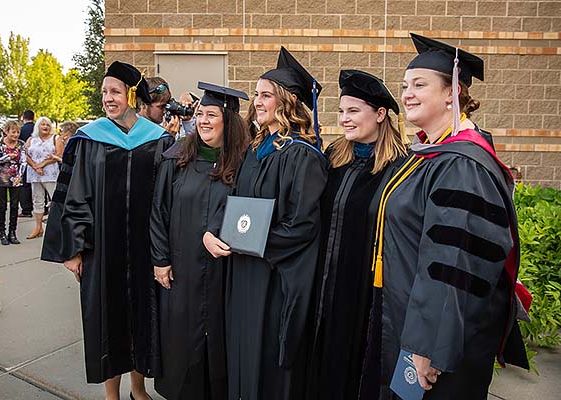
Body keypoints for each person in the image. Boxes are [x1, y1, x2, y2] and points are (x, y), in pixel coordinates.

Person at [372, 33, 528, 399]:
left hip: (436, 347)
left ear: (451, 93)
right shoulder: (432, 154)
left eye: (419, 84)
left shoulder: (461, 165)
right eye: (405, 85)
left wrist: (428, 346)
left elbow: (453, 261)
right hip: (413, 325)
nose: (407, 93)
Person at [204, 47, 328, 400]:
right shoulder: (255, 149)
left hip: (274, 278)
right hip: (242, 271)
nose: (257, 101)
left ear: (286, 102)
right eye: (256, 95)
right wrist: (215, 232)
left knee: (267, 363)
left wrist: (256, 241)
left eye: (265, 95)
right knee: (242, 352)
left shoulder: (302, 155)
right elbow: (235, 203)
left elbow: (303, 227)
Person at [41, 60, 167, 400]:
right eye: (104, 92)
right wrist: (73, 248)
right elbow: (73, 194)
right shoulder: (89, 139)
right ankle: (112, 394)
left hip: (144, 247)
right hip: (101, 248)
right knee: (107, 320)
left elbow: (167, 196)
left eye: (114, 92)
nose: (107, 99)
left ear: (129, 94)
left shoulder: (158, 139)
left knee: (142, 318)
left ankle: (137, 388)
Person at [307, 70, 408, 400]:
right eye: (341, 111)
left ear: (380, 114)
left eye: (353, 111)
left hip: (366, 292)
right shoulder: (334, 157)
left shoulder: (402, 168)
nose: (344, 119)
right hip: (324, 285)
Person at [150, 82, 249, 400]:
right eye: (200, 113)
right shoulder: (177, 157)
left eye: (211, 114)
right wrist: (160, 259)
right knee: (183, 341)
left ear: (228, 121)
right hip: (182, 271)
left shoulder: (245, 163)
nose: (203, 120)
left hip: (225, 274)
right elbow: (158, 211)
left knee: (219, 341)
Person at [0, 120, 27, 245]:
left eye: (18, 132)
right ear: (6, 131)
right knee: (2, 206)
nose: (16, 135)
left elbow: (23, 161)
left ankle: (12, 232)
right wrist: (7, 157)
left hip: (15, 179)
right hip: (0, 179)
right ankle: (2, 232)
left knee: (14, 206)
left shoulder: (21, 144)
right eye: (13, 132)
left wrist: (19, 176)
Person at [25, 116, 63, 239]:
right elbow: (25, 154)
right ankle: (38, 227)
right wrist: (35, 166)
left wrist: (42, 164)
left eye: (47, 125)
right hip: (34, 174)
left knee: (56, 200)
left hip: (50, 174)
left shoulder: (55, 138)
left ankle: (59, 228)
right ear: (38, 126)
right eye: (43, 125)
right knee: (37, 200)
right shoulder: (32, 139)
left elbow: (58, 154)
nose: (45, 127)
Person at [139, 77, 176, 151]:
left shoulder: (165, 126)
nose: (165, 111)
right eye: (161, 106)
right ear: (144, 104)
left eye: (166, 106)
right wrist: (164, 140)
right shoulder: (131, 129)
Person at [18, 110, 35, 217]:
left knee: (25, 185)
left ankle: (26, 209)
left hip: (25, 158)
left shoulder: (21, 130)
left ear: (23, 117)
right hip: (39, 159)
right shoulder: (37, 128)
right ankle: (45, 207)